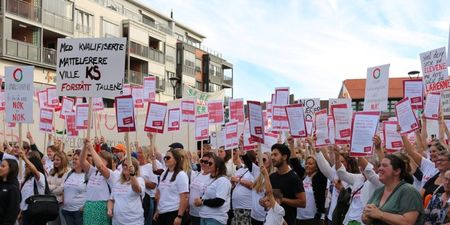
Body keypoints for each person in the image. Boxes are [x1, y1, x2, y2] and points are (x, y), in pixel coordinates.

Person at [362, 154, 424, 225]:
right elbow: (367, 218)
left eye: (385, 166)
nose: (380, 169)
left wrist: (380, 214)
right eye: (380, 165)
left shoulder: (409, 191)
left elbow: (408, 222)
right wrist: (366, 217)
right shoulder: (378, 191)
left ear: (397, 171)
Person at [80, 139, 114, 225]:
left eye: (99, 159)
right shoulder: (93, 171)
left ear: (107, 162)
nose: (96, 160)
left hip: (102, 206)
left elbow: (100, 166)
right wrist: (85, 146)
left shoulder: (111, 173)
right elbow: (82, 161)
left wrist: (91, 148)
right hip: (89, 205)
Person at [269, 143, 306, 225]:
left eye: (275, 155)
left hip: (288, 221)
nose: (272, 158)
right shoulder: (271, 177)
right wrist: (262, 201)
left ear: (284, 157)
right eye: (271, 155)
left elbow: (302, 202)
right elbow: (269, 197)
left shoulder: (294, 178)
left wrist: (281, 199)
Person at [154, 149, 189, 225]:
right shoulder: (164, 174)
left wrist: (179, 216)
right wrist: (157, 210)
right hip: (162, 212)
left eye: (168, 157)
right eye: (165, 158)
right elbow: (160, 194)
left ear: (176, 160)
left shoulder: (181, 175)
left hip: (173, 212)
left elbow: (184, 197)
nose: (166, 159)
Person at [194, 155, 232, 225]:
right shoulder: (212, 179)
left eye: (210, 163)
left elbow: (219, 201)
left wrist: (202, 201)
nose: (207, 164)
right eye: (207, 162)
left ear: (217, 167)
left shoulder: (223, 181)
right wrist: (199, 200)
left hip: (215, 219)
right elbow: (209, 197)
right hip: (205, 217)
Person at [108, 157, 145, 225]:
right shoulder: (117, 182)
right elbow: (112, 199)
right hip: (117, 222)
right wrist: (109, 209)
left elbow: (136, 189)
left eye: (127, 165)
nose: (125, 167)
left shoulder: (139, 180)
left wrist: (132, 174)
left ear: (134, 168)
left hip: (133, 222)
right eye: (123, 165)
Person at [296, 155, 327, 225]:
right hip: (299, 217)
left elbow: (325, 166)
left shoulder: (320, 179)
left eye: (310, 164)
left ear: (317, 167)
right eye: (306, 163)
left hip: (313, 218)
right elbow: (295, 163)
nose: (307, 165)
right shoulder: (302, 178)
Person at [19, 150, 48, 225]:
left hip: (36, 212)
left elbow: (35, 171)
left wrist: (24, 158)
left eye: (27, 166)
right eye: (25, 166)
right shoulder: (26, 179)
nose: (26, 168)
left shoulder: (40, 176)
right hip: (26, 212)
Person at [62, 150, 87, 225]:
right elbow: (64, 189)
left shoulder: (87, 175)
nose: (73, 161)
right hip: (67, 211)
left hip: (79, 212)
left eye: (76, 159)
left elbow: (92, 193)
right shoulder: (70, 173)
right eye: (73, 159)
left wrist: (85, 207)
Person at [190, 152, 214, 225]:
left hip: (204, 214)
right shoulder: (197, 174)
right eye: (202, 161)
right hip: (193, 212)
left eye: (206, 162)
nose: (203, 163)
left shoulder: (212, 178)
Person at [230, 153, 254, 225]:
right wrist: (233, 183)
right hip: (236, 207)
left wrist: (238, 180)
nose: (242, 160)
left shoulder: (253, 171)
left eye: (243, 158)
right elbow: (235, 185)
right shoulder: (240, 170)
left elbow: (253, 185)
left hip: (246, 207)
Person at [48, 151, 70, 225]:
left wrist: (51, 187)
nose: (55, 162)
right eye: (54, 160)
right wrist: (54, 187)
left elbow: (62, 189)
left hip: (61, 203)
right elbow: (46, 186)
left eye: (58, 160)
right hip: (51, 203)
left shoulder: (67, 172)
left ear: (63, 160)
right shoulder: (52, 171)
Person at [139, 145, 158, 225]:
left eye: (140, 152)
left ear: (145, 154)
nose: (138, 154)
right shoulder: (135, 166)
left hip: (147, 199)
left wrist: (141, 181)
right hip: (137, 199)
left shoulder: (150, 167)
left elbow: (153, 185)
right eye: (137, 152)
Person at [0, 159, 20, 225]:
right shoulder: (2, 184)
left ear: (11, 169)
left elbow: (12, 212)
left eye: (3, 166)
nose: (0, 168)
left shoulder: (13, 188)